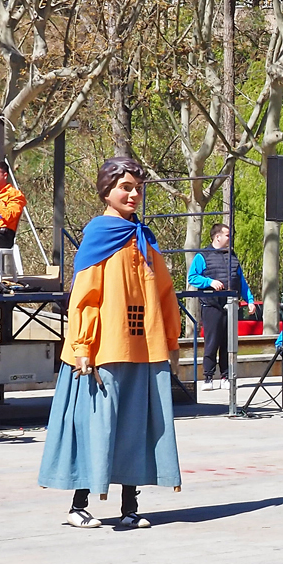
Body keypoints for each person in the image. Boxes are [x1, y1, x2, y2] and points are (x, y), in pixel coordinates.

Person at [37, 157, 182, 529]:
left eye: (137, 188)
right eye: (125, 187)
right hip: (104, 349)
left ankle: (129, 506)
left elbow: (165, 294)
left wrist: (170, 341)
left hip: (144, 348)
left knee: (135, 427)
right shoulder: (100, 235)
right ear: (107, 191)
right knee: (96, 426)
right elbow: (85, 297)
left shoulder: (146, 239)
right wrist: (83, 346)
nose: (133, 194)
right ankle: (79, 504)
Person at [187, 224, 256, 387]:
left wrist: (250, 301)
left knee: (228, 342)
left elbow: (241, 281)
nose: (229, 238)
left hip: (230, 305)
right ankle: (208, 377)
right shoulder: (202, 256)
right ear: (217, 237)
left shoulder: (232, 256)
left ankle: (226, 376)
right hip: (211, 305)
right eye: (226, 235)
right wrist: (209, 282)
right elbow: (192, 277)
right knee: (212, 342)